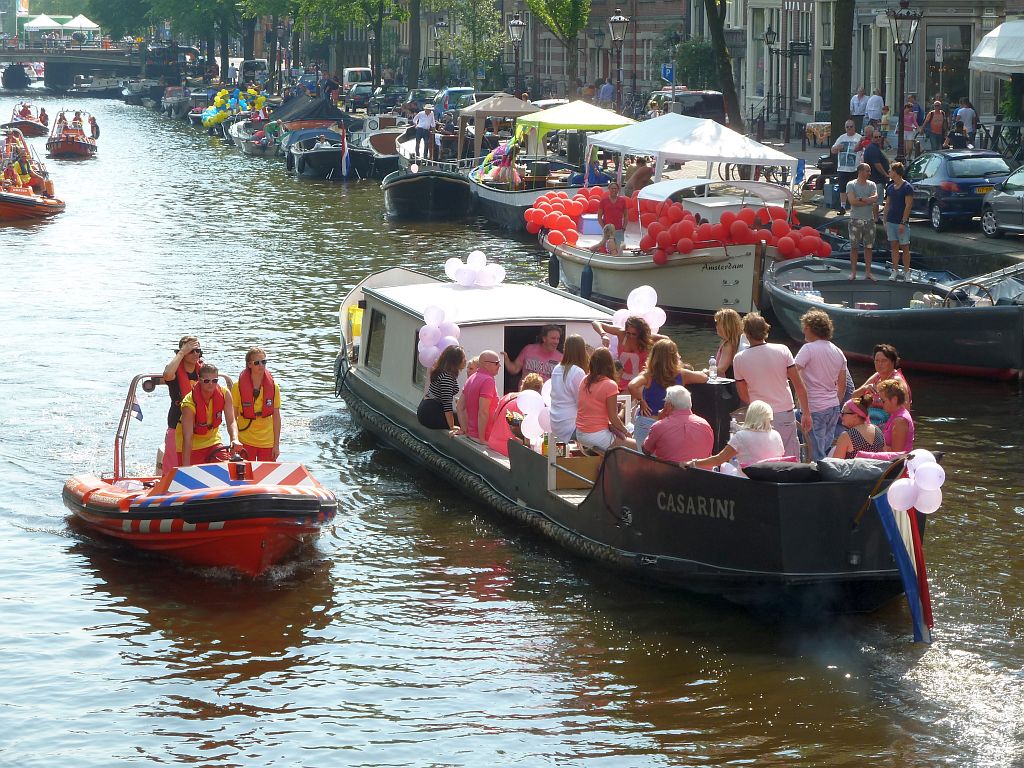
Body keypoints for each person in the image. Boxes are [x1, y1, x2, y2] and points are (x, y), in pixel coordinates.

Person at [732, 312, 812, 459]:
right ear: (765, 330)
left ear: (746, 334)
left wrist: (756, 406)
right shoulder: (782, 350)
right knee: (790, 457)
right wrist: (806, 413)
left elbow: (742, 393)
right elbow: (799, 386)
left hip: (759, 415)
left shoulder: (739, 359)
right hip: (784, 412)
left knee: (762, 457)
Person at [628, 338, 708, 448]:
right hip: (669, 426)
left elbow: (632, 385)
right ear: (674, 356)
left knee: (643, 456)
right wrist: (705, 371)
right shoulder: (682, 374)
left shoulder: (648, 375)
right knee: (666, 456)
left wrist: (641, 401)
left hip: (646, 421)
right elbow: (704, 378)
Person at [793, 310, 848, 461]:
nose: (803, 330)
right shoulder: (838, 352)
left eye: (805, 327)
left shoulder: (808, 349)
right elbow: (842, 386)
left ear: (811, 328)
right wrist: (833, 402)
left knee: (814, 454)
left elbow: (791, 371)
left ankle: (814, 474)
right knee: (824, 449)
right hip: (833, 408)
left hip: (815, 408)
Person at [686, 400, 785, 475]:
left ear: (750, 415)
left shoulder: (741, 436)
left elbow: (718, 460)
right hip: (770, 479)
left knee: (724, 466)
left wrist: (693, 463)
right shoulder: (776, 435)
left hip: (746, 481)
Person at [176, 363, 242, 466]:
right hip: (192, 446)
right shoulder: (188, 404)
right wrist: (185, 467)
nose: (211, 384)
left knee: (225, 469)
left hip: (213, 442)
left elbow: (231, 421)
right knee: (192, 474)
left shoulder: (225, 394)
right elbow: (187, 436)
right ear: (199, 380)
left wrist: (234, 439)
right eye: (207, 381)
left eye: (214, 380)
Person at [575, 348, 636, 452]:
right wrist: (626, 432)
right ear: (610, 364)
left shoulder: (584, 380)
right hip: (596, 435)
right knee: (636, 447)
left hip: (580, 433)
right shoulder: (610, 385)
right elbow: (613, 418)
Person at [161, 336, 204, 473]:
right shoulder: (174, 372)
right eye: (191, 351)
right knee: (173, 466)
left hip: (199, 426)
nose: (195, 354)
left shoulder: (203, 373)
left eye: (198, 351)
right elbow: (167, 374)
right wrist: (181, 352)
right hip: (177, 424)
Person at [230, 347, 281, 460]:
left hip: (267, 442)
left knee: (267, 471)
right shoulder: (237, 387)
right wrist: (234, 440)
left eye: (264, 362)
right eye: (257, 363)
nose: (261, 365)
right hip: (245, 441)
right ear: (249, 364)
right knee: (244, 471)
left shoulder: (274, 387)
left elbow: (276, 417)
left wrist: (276, 445)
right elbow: (232, 417)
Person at [642, 385, 714, 463]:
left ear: (669, 406)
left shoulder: (660, 426)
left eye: (665, 402)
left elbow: (646, 450)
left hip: (670, 470)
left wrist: (660, 421)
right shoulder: (705, 424)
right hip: (702, 470)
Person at [592, 316, 662, 393]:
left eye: (634, 334)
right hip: (619, 380)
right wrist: (603, 335)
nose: (631, 336)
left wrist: (657, 353)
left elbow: (666, 340)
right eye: (628, 333)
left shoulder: (647, 337)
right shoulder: (621, 333)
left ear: (640, 333)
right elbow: (595, 323)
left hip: (637, 383)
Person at [851, 343, 912, 425]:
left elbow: (905, 411)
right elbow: (853, 397)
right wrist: (864, 389)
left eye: (884, 361)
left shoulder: (897, 381)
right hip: (871, 424)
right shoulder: (877, 376)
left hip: (888, 426)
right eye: (877, 361)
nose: (879, 364)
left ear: (893, 362)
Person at [485, 373, 544, 456]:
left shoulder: (508, 396)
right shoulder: (525, 406)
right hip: (507, 449)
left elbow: (495, 418)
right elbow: (525, 436)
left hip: (493, 442)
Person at [549, 334, 589, 443]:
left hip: (555, 423)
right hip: (570, 426)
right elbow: (581, 403)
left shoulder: (556, 368)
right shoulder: (578, 372)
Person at [417, 344, 467, 431]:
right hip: (430, 414)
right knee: (464, 421)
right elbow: (447, 404)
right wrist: (451, 426)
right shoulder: (447, 377)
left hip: (427, 409)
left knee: (461, 417)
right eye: (463, 358)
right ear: (455, 361)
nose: (465, 360)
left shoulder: (443, 372)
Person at [458, 350, 500, 442]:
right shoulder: (488, 381)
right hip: (485, 437)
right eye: (497, 363)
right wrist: (482, 439)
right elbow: (483, 412)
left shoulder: (471, 378)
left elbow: (459, 407)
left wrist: (465, 429)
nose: (499, 366)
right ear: (486, 364)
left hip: (471, 435)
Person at [846, 162, 879, 280]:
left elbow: (875, 198)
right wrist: (867, 201)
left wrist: (860, 199)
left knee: (868, 247)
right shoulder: (851, 184)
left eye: (869, 171)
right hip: (855, 219)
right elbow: (852, 201)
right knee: (854, 247)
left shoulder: (872, 184)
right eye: (867, 171)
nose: (869, 173)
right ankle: (853, 272)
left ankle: (868, 272)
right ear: (860, 172)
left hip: (869, 220)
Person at [883, 162, 914, 280]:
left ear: (895, 172)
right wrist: (885, 220)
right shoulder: (890, 187)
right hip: (891, 221)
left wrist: (903, 222)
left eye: (890, 170)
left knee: (905, 247)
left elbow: (908, 205)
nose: (889, 172)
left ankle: (907, 272)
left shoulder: (907, 187)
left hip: (901, 222)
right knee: (894, 246)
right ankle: (895, 270)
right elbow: (887, 204)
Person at [829, 394, 883, 458]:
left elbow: (835, 463)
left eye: (843, 413)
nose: (840, 416)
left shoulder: (847, 436)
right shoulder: (877, 430)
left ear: (855, 416)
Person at [831, 119, 863, 215]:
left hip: (855, 168)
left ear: (854, 127)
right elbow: (833, 150)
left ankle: (855, 207)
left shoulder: (859, 137)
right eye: (847, 127)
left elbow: (864, 151)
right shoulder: (841, 138)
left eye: (851, 126)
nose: (849, 128)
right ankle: (843, 206)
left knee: (855, 188)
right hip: (842, 168)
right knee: (842, 188)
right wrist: (837, 148)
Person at [878, 378, 915, 452]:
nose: (880, 404)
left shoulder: (900, 421)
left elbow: (897, 452)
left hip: (898, 459)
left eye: (883, 401)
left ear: (894, 400)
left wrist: (873, 446)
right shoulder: (895, 415)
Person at [712, 307, 747, 379]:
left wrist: (704, 372)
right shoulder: (739, 340)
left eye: (717, 323)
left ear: (725, 326)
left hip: (727, 381)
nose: (716, 326)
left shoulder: (728, 344)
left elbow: (721, 369)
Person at [862, 126, 890, 211]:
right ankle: (875, 217)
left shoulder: (876, 147)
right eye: (875, 137)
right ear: (871, 138)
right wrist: (886, 174)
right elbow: (877, 164)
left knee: (876, 201)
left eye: (879, 137)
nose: (878, 139)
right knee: (875, 201)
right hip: (876, 179)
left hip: (877, 179)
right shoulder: (872, 148)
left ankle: (875, 216)